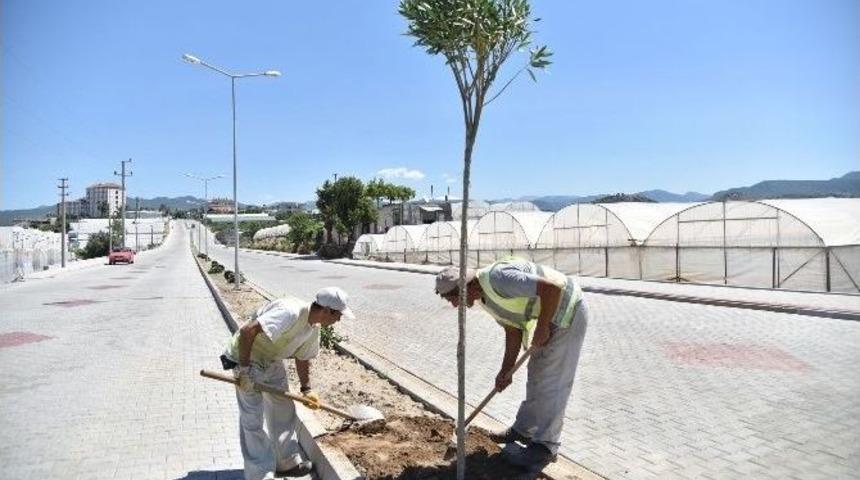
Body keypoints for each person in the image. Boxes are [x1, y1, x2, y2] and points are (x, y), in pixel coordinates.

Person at [434, 258, 589, 473]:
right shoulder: (484, 298)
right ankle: (523, 430)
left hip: (567, 312)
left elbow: (551, 289)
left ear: (465, 287)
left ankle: (546, 445)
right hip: (550, 316)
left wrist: (542, 326)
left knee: (552, 382)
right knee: (536, 377)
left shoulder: (499, 279)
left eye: (452, 298)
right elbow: (513, 331)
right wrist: (505, 371)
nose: (453, 305)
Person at [221, 286, 356, 480]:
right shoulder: (290, 311)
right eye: (338, 315)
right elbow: (247, 331)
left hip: (271, 360)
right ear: (327, 310)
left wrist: (306, 389)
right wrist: (244, 371)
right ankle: (260, 474)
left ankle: (286, 463)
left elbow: (303, 357)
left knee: (283, 409)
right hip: (246, 358)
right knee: (252, 418)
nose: (339, 320)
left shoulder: (313, 328)